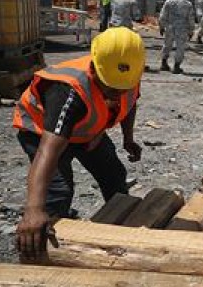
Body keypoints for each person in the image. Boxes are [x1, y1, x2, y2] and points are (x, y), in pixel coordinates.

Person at [13, 27, 145, 260]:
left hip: (86, 131)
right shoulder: (69, 89)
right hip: (42, 132)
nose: (117, 93)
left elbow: (130, 102)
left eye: (122, 88)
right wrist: (33, 210)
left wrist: (128, 138)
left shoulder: (126, 73)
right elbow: (48, 150)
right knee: (59, 190)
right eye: (111, 88)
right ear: (95, 68)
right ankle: (39, 247)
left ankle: (121, 229)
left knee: (114, 175)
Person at [158, 0, 195, 74]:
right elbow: (191, 19)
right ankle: (176, 66)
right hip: (182, 28)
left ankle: (164, 63)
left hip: (170, 26)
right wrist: (191, 31)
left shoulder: (169, 1)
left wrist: (161, 26)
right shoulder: (188, 3)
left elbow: (163, 15)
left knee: (167, 45)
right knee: (180, 47)